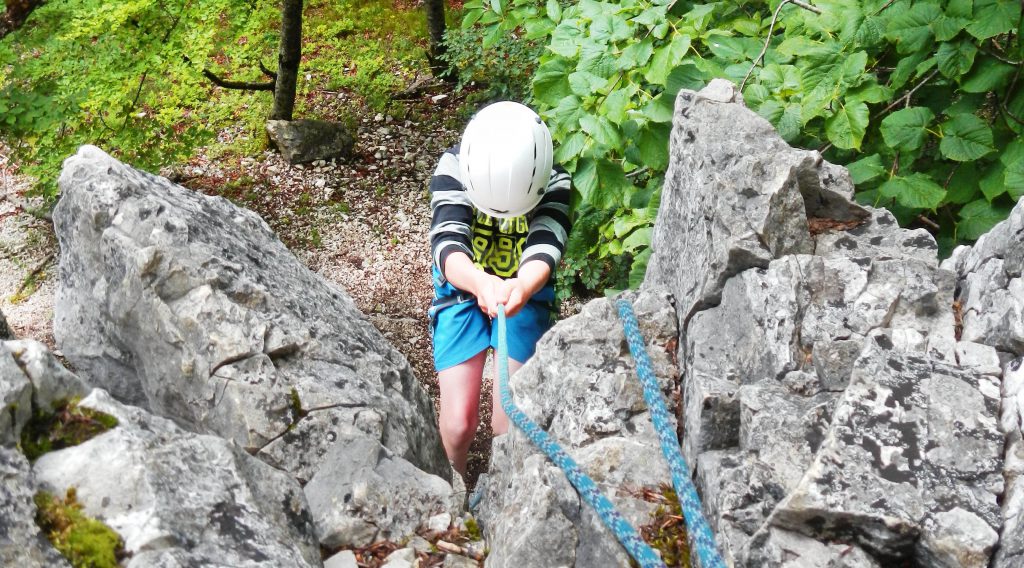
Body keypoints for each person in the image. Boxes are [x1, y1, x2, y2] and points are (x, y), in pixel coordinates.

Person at [428, 101, 571, 476]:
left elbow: (545, 245)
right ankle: (453, 491)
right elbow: (448, 243)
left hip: (526, 294)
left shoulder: (554, 180)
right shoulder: (455, 166)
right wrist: (480, 283)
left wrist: (521, 288)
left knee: (508, 426)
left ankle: (503, 496)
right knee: (459, 423)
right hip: (461, 287)